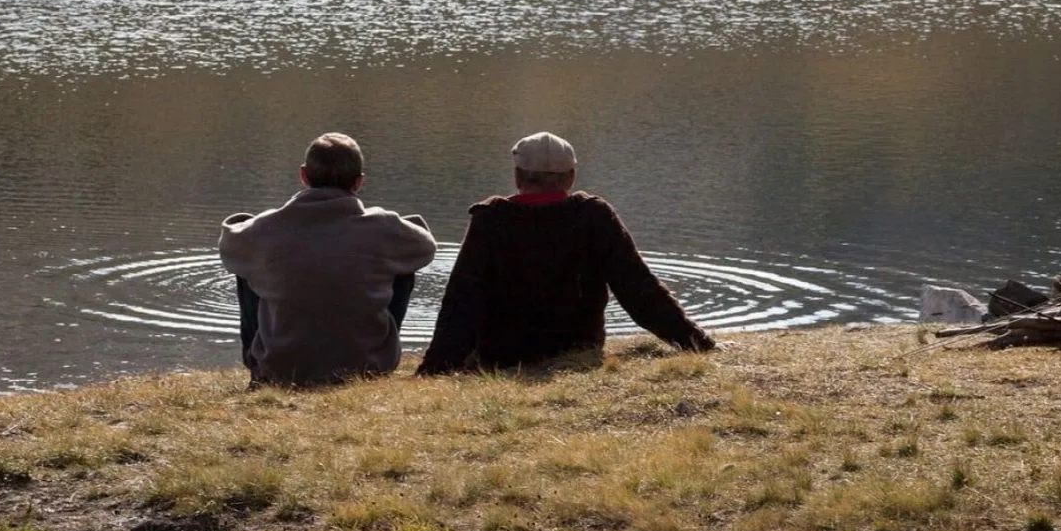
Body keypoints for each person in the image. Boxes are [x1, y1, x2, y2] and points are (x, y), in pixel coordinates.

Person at [416, 131, 716, 375]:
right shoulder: (594, 215)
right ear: (570, 177)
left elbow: (462, 301)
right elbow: (639, 290)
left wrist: (434, 370)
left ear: (518, 176)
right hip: (578, 347)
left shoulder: (492, 219)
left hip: (503, 356)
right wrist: (697, 343)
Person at [219, 132, 437, 387]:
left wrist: (245, 224)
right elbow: (425, 249)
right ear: (358, 183)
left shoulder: (266, 228)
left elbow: (228, 249)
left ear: (303, 175)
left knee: (247, 259)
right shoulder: (383, 227)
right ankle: (378, 350)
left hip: (282, 368)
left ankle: (259, 368)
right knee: (403, 258)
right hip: (367, 366)